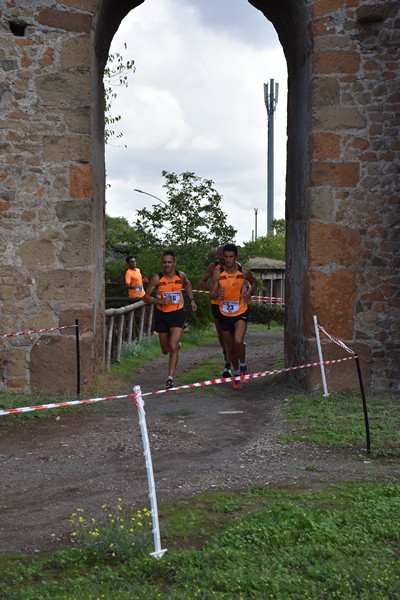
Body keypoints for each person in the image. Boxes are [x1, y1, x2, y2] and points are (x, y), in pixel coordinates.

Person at [143, 250, 198, 390]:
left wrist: (191, 300)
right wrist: (159, 300)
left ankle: (170, 378)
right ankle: (175, 346)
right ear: (162, 263)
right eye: (164, 262)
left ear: (174, 263)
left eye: (169, 262)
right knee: (165, 349)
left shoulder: (181, 276)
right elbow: (145, 297)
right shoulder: (157, 278)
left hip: (177, 314)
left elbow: (188, 284)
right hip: (162, 315)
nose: (167, 265)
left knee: (172, 345)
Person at [209, 243, 257, 390]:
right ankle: (236, 374)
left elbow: (254, 282)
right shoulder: (218, 273)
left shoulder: (244, 272)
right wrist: (218, 293)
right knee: (230, 348)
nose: (228, 260)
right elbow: (211, 294)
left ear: (236, 257)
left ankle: (243, 365)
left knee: (238, 340)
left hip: (241, 311)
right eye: (226, 257)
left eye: (231, 257)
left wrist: (250, 293)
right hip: (224, 312)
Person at [199, 245, 232, 378]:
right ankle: (226, 352)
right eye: (218, 255)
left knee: (229, 334)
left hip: (230, 305)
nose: (220, 257)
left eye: (221, 254)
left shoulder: (236, 266)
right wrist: (214, 289)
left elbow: (244, 283)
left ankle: (229, 364)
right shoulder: (213, 267)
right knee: (221, 334)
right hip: (216, 305)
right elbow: (202, 282)